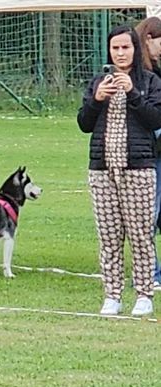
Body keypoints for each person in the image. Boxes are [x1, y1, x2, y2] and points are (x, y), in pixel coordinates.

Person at [78, 25, 161, 317]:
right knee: (109, 235)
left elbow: (155, 119)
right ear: (109, 51)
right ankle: (112, 294)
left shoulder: (150, 82)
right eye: (115, 48)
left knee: (140, 234)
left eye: (126, 47)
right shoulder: (99, 81)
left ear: (135, 50)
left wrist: (134, 93)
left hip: (138, 168)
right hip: (102, 169)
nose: (121, 53)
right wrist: (95, 99)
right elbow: (84, 123)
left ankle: (144, 293)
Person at [135, 15, 161, 291]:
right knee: (147, 214)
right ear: (150, 39)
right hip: (149, 153)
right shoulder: (144, 77)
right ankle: (148, 274)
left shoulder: (154, 71)